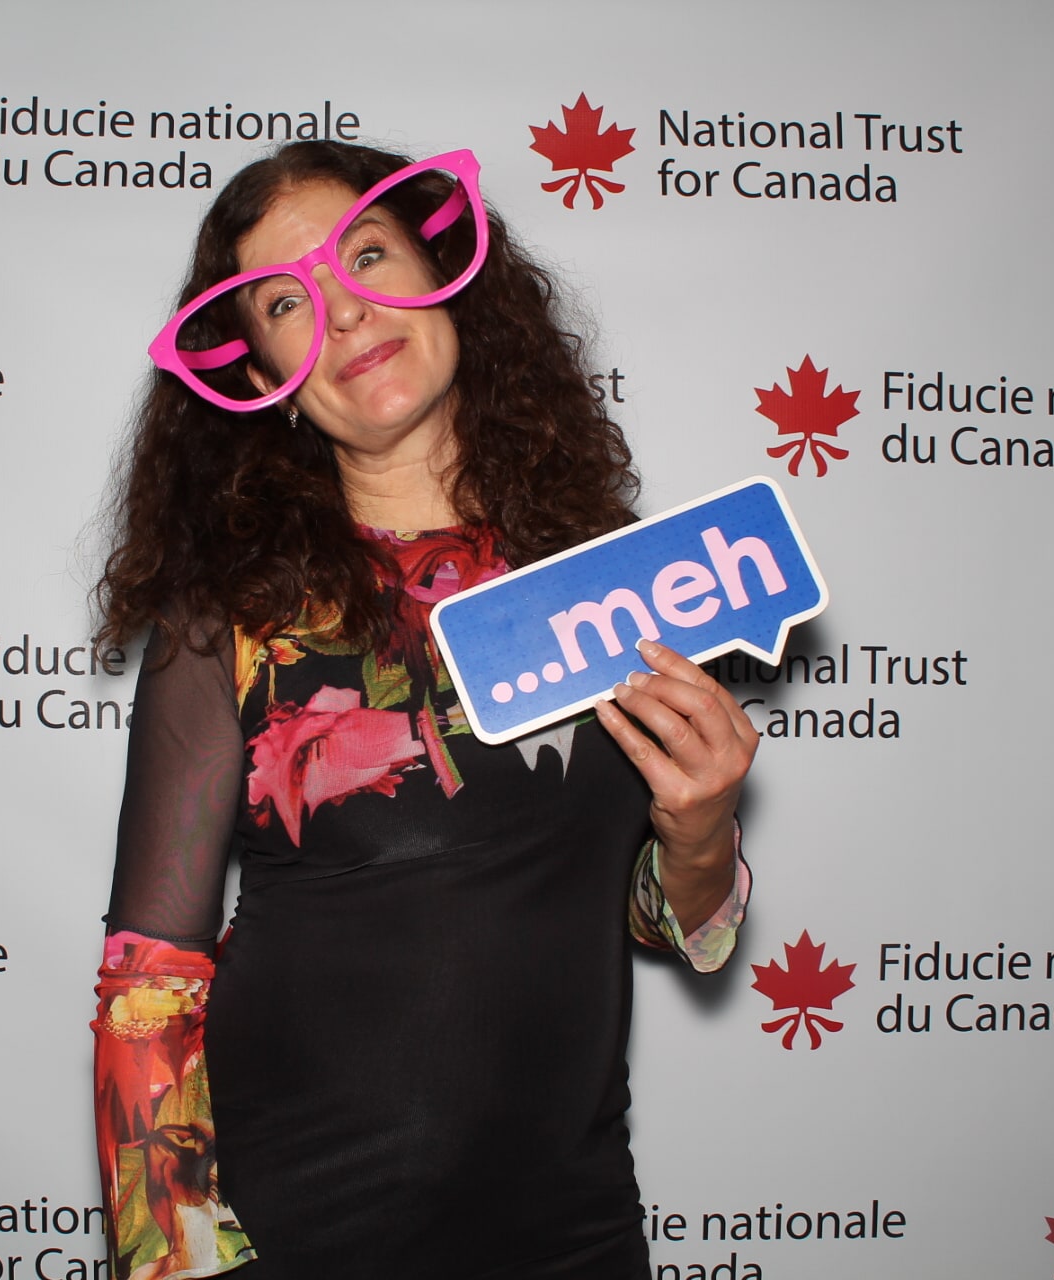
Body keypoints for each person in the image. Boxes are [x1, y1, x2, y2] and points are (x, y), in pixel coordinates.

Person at [90, 140, 757, 1280]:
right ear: (260, 373)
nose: (343, 311)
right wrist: (180, 1265)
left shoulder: (612, 584)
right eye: (285, 303)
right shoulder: (231, 622)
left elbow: (656, 921)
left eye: (366, 256)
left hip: (576, 1234)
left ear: (446, 274)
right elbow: (149, 983)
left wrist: (701, 836)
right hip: (309, 1237)